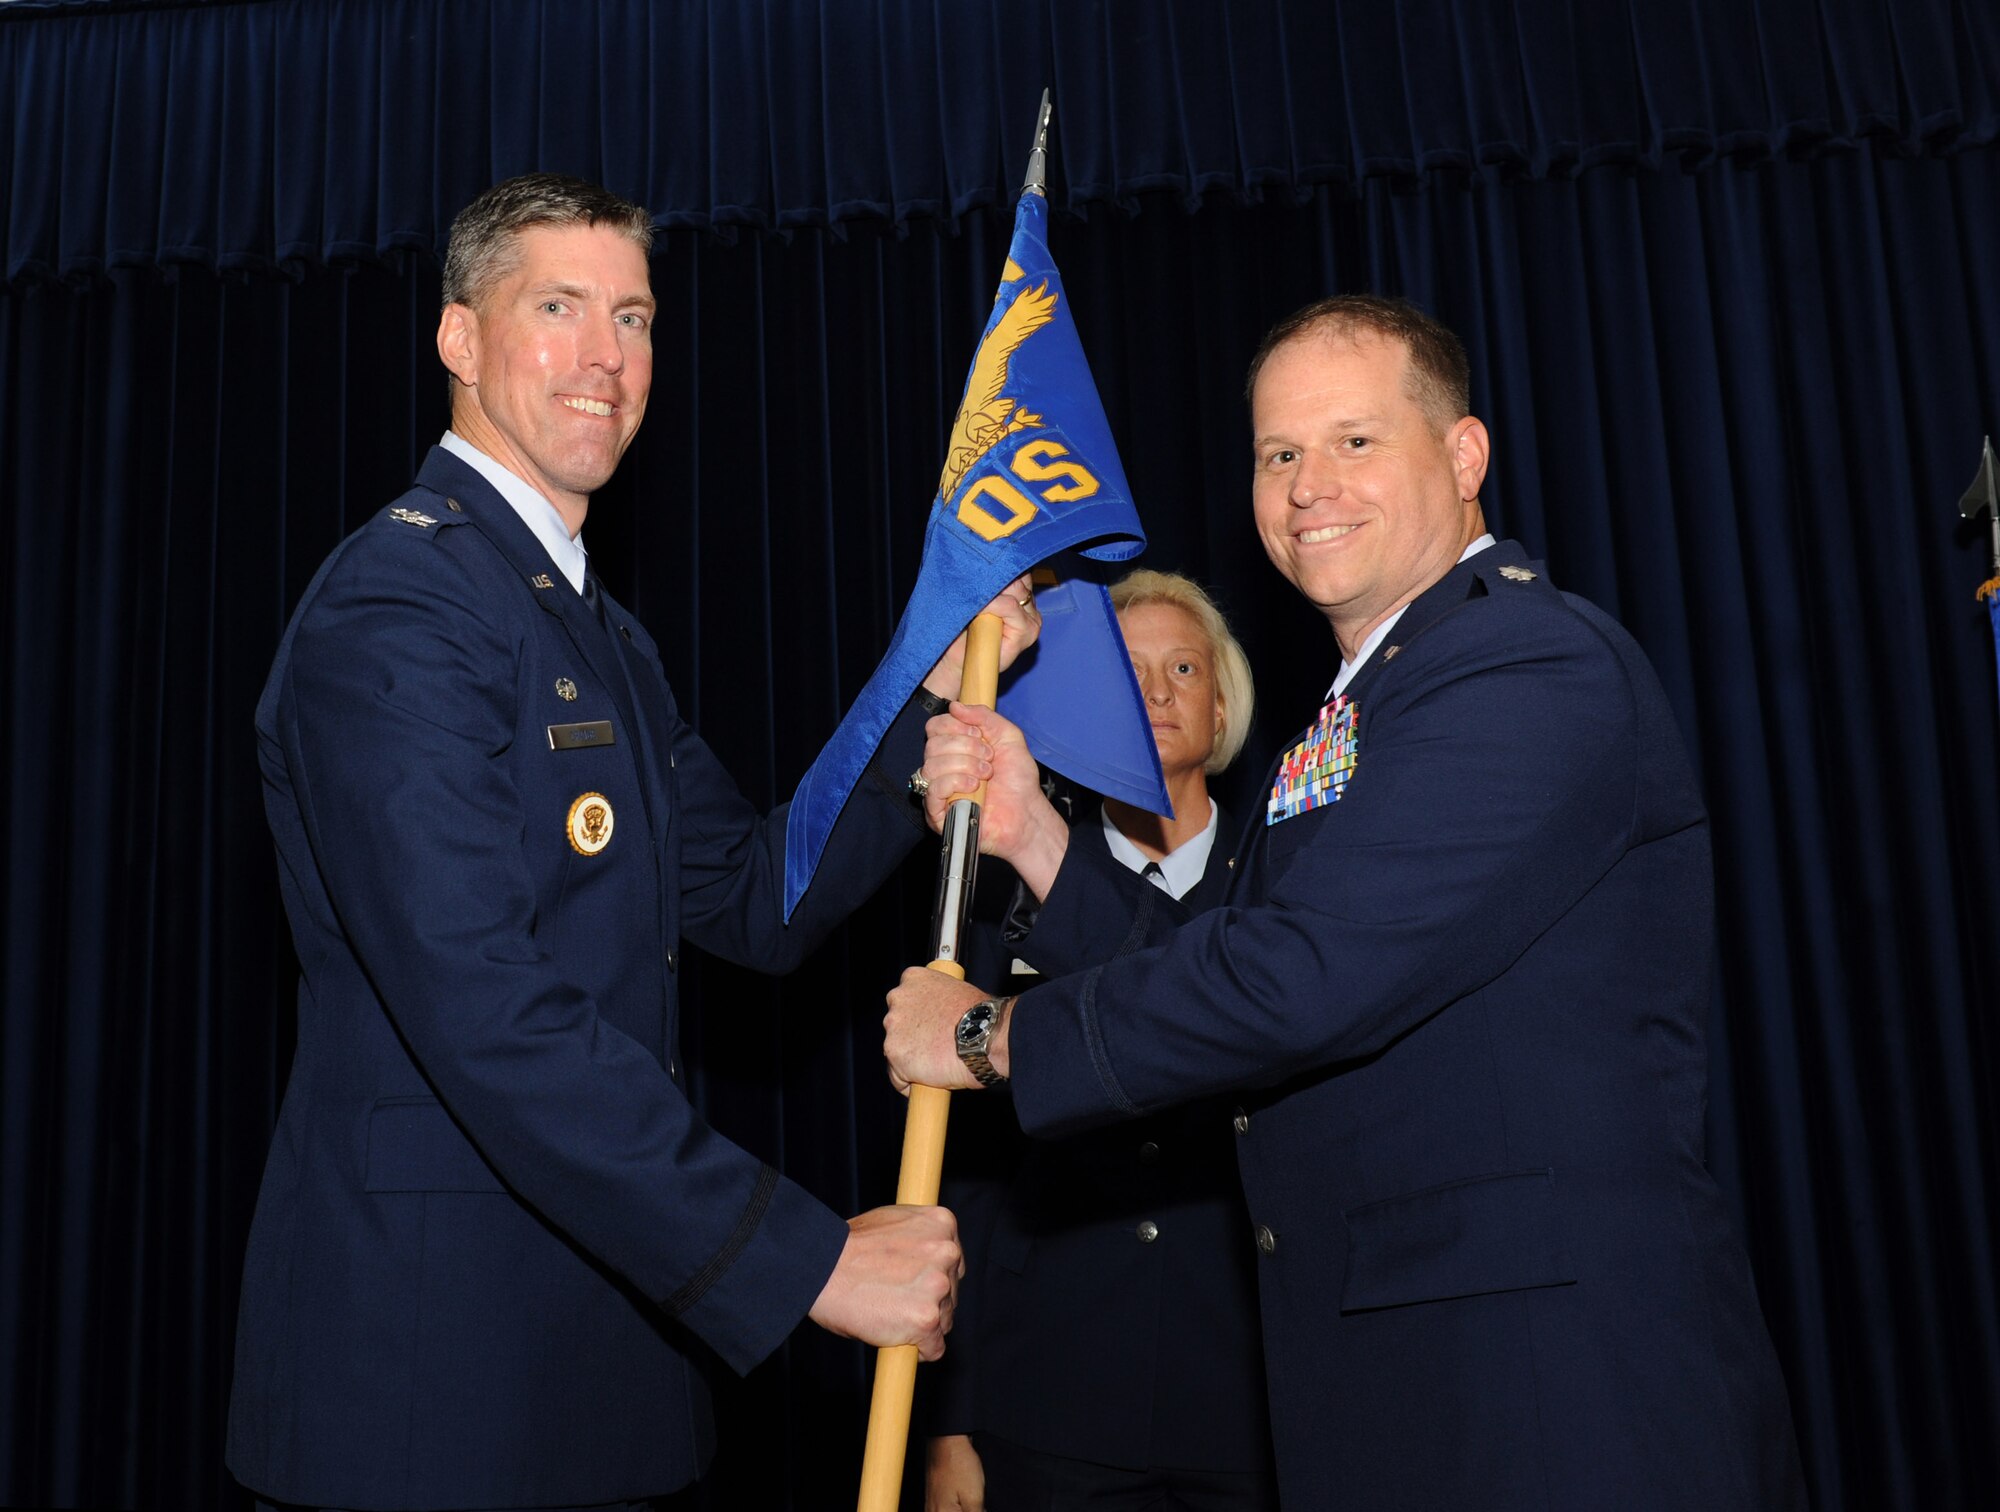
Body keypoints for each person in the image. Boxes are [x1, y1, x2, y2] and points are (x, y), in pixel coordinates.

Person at [885, 296, 1809, 1510]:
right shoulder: (1365, 709)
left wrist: (988, 1038)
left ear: (1463, 456)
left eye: (1353, 442)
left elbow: (1297, 980)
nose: (1307, 485)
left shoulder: (1525, 665)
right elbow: (1235, 959)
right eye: (1278, 454)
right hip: (1396, 1387)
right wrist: (1034, 836)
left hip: (1546, 1401)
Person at [225, 174, 1040, 1512]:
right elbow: (486, 1012)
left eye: (637, 316)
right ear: (460, 340)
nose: (610, 357)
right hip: (437, 1396)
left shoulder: (595, 629)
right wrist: (809, 1260)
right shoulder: (398, 605)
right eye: (560, 308)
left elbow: (749, 897)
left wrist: (928, 705)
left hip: (606, 1377)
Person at [924, 570, 1276, 1511]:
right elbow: (971, 1171)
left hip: (1246, 1401)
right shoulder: (1000, 901)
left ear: (1222, 702)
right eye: (1129, 673)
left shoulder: (1289, 891)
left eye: (1185, 668)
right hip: (1052, 1396)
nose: (1158, 693)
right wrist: (951, 1419)